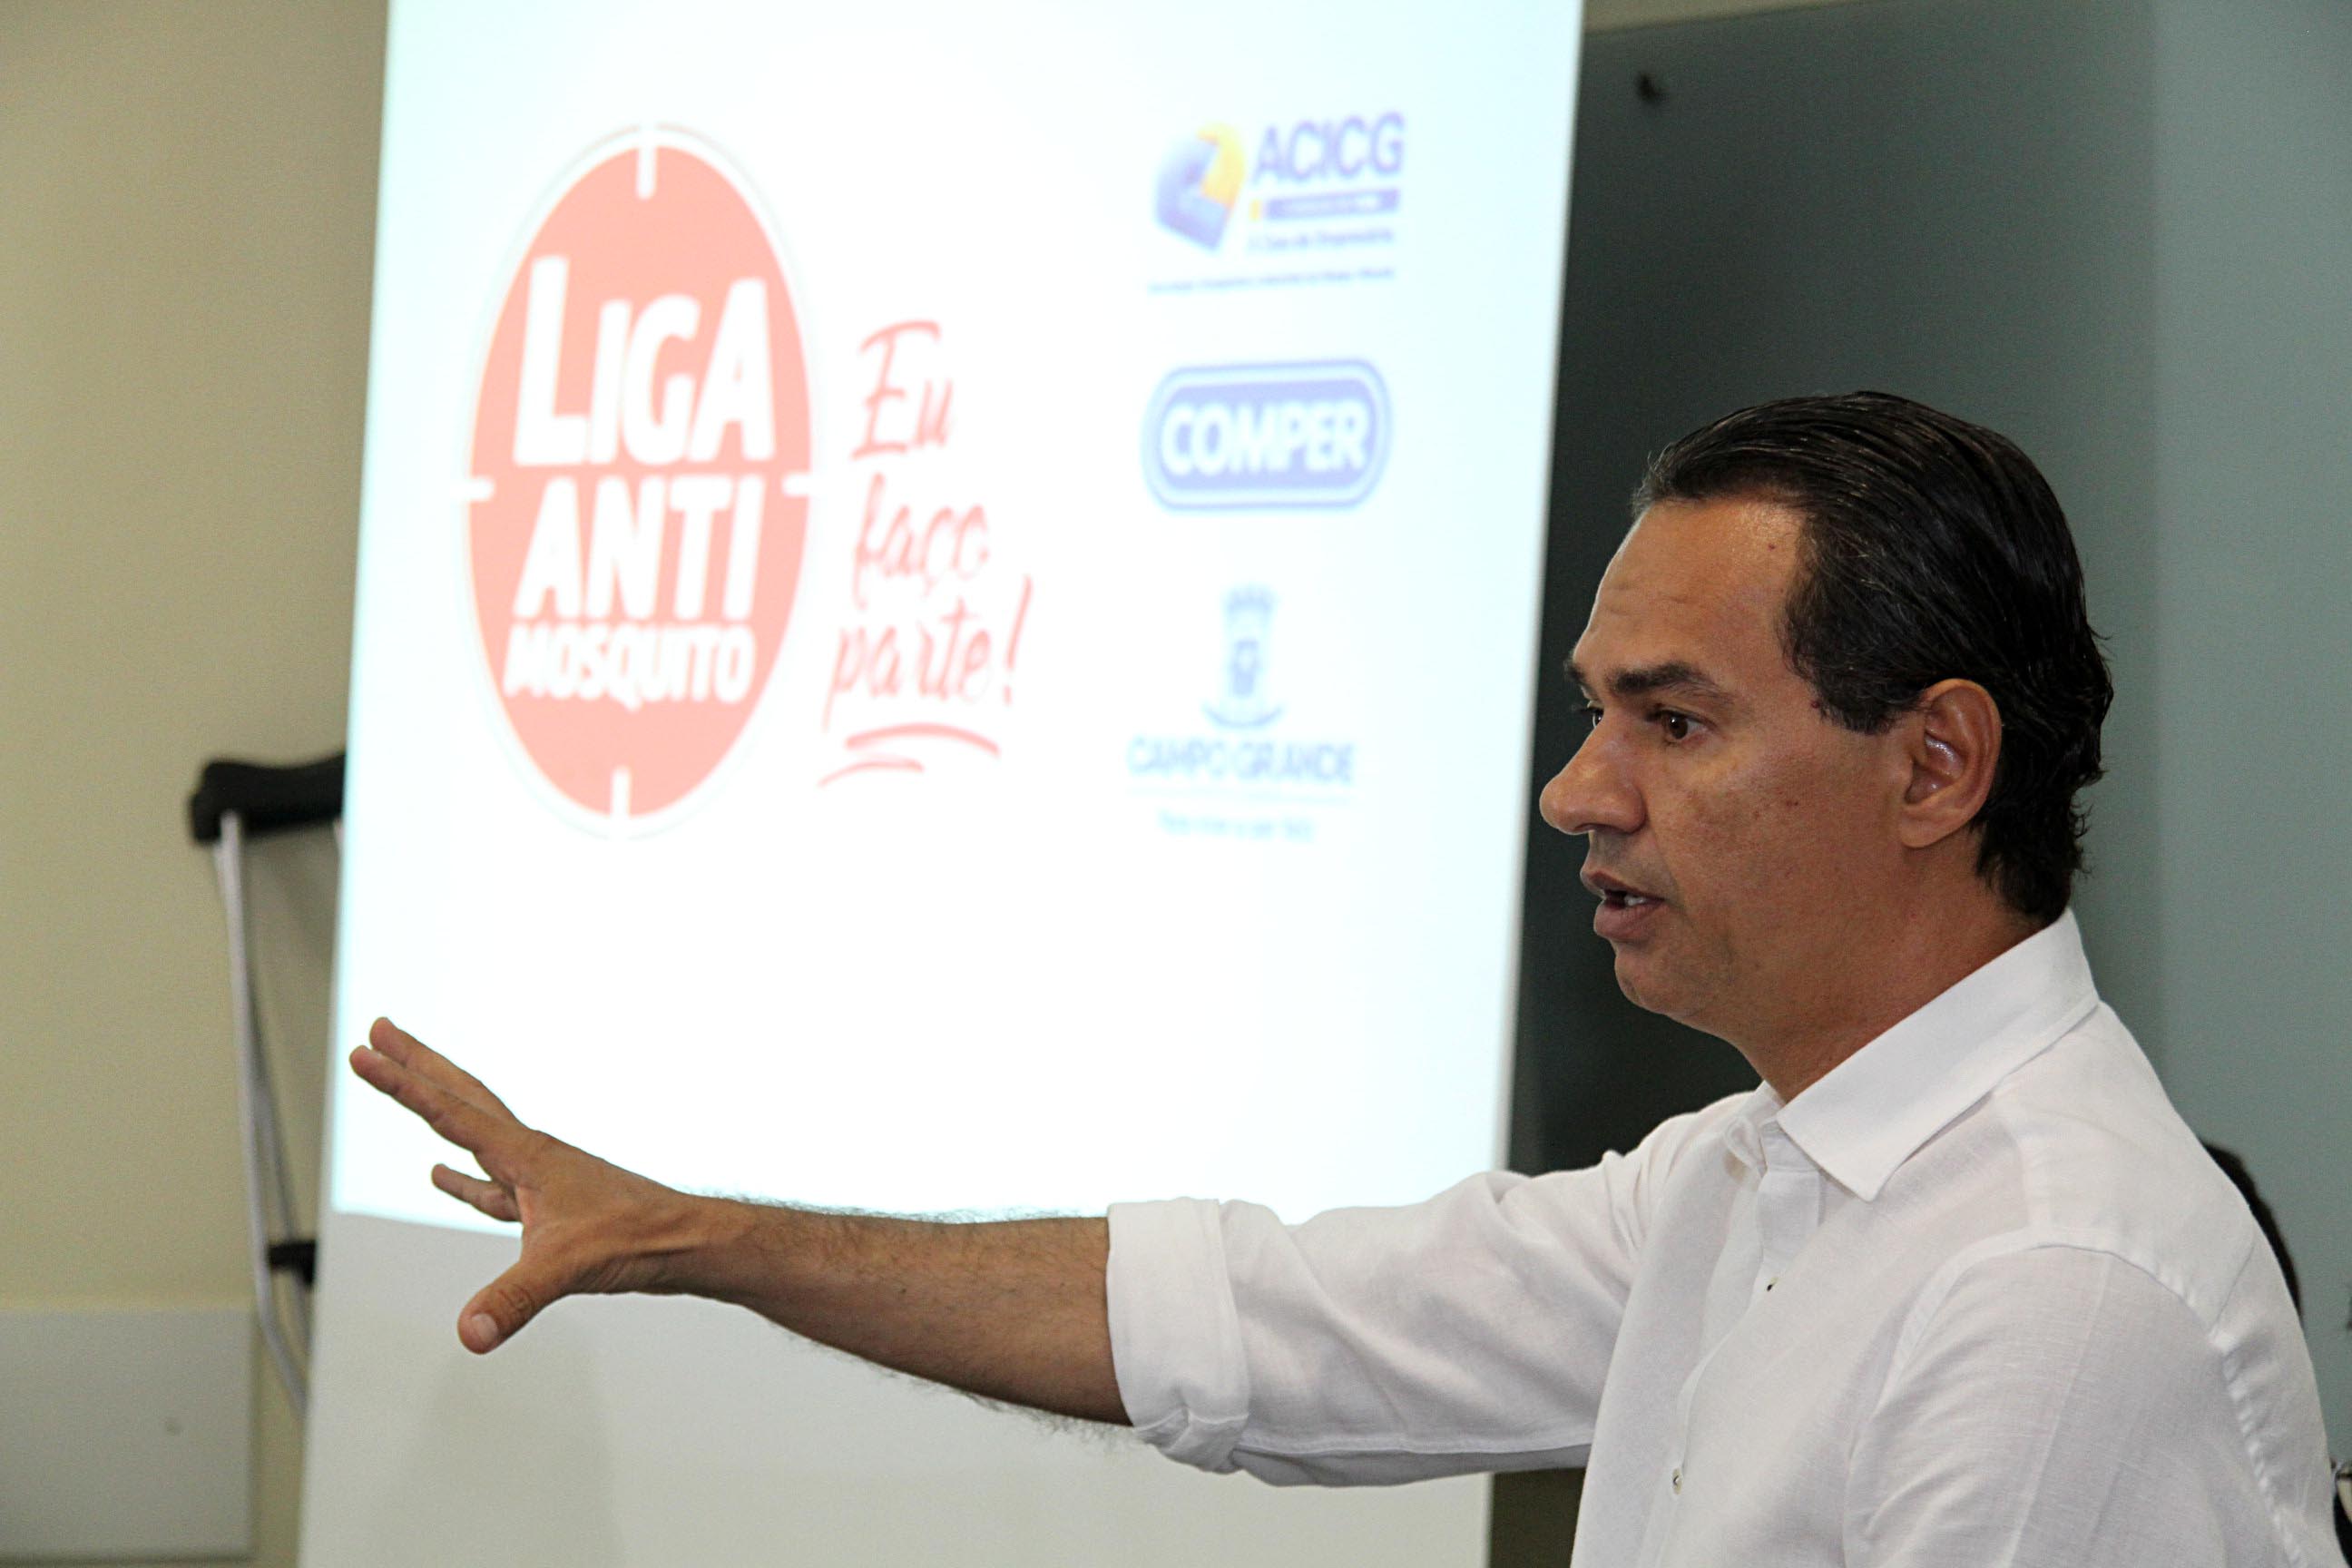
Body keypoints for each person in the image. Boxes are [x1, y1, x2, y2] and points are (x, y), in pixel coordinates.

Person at [352, 392, 2341, 1564]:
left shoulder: (2053, 1288)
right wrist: (694, 1236)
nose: (1579, 792)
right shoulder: (1752, 1174)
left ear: (1936, 766)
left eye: (1672, 721)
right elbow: (1261, 1327)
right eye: (1594, 713)